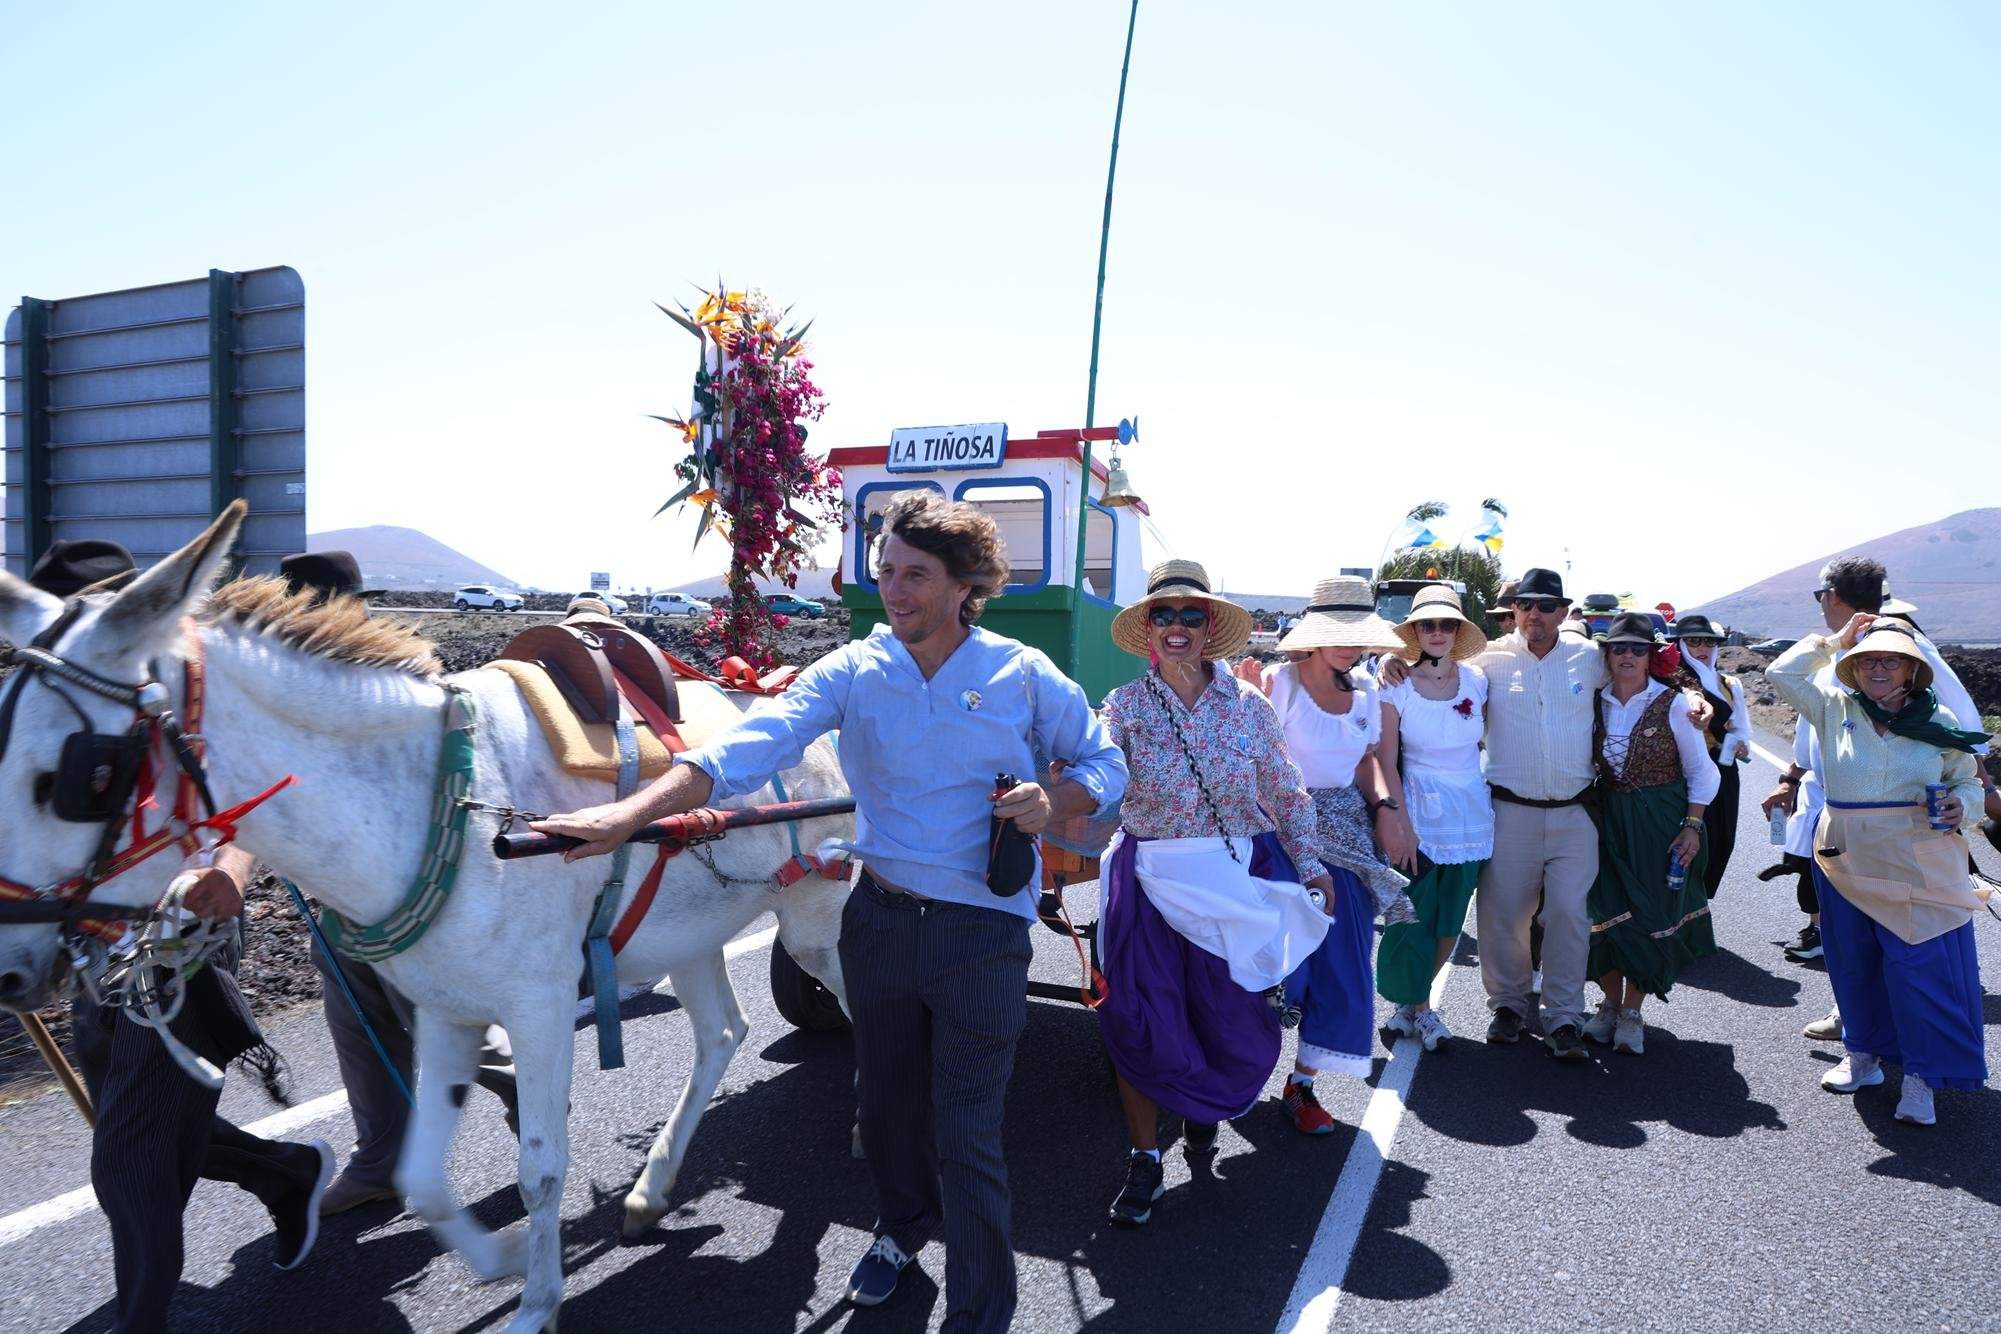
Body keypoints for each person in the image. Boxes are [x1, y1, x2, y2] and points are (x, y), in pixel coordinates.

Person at [532, 491, 1125, 1331]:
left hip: (981, 931)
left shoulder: (1020, 672)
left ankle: (980, 1312)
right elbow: (746, 749)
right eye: (885, 571)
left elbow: (1105, 762)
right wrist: (626, 816)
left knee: (967, 1132)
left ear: (965, 586)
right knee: (884, 1115)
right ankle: (900, 1228)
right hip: (878, 921)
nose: (894, 590)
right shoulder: (855, 668)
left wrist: (1051, 799)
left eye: (915, 574)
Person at [24, 539, 333, 1334]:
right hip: (90, 939)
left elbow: (250, 791)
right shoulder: (48, 701)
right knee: (144, 1125)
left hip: (181, 934)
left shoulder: (185, 693)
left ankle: (142, 1321)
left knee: (127, 1154)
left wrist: (231, 868)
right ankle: (284, 1170)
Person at [276, 551, 522, 1216]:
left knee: (437, 1015)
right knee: (357, 1020)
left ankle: (530, 1095)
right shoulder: (292, 687)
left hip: (418, 887)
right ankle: (381, 1161)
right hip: (343, 891)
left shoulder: (394, 677)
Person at [1095, 560, 1335, 1224]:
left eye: (1190, 615)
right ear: (1148, 628)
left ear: (1209, 628)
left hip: (1230, 880)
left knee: (1228, 1019)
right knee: (1136, 1019)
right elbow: (1097, 772)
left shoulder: (1249, 706)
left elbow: (1285, 791)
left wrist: (1311, 865)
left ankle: (1203, 1111)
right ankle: (1145, 1158)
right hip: (1148, 882)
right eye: (1163, 615)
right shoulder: (1124, 706)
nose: (1176, 626)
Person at [1767, 613, 1988, 1125]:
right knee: (1853, 962)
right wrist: (1835, 640)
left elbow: (1968, 782)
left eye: (1892, 660)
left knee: (1918, 972)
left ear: (1912, 671)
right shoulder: (1832, 706)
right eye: (1868, 660)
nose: (1878, 668)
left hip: (1917, 858)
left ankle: (1920, 1077)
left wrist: (1961, 806)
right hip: (1844, 855)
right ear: (1854, 667)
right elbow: (1782, 673)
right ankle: (1862, 1056)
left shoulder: (1940, 722)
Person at [1385, 568, 1602, 1058]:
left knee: (1568, 914)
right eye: (1526, 604)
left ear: (1564, 612)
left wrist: (1694, 695)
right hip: (1508, 808)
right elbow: (1430, 664)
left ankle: (1564, 1016)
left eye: (1546, 606)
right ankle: (1508, 1006)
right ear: (1514, 610)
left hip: (1574, 811)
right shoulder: (1487, 662)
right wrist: (1389, 659)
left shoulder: (1591, 658)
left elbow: (1643, 677)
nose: (1535, 614)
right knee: (1504, 916)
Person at [1261, 576, 1414, 1111]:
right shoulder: (1278, 683)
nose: (1350, 644)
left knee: (1343, 956)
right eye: (1338, 631)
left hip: (1348, 831)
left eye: (1358, 632)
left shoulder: (1367, 690)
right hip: (1277, 828)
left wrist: (1387, 810)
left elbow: (1367, 760)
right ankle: (1236, 1075)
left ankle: (1302, 1084)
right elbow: (1253, 764)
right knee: (1276, 961)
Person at [1581, 614, 1720, 1054]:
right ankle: (1609, 1002)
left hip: (1660, 820)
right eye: (1619, 648)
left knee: (1650, 913)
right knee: (1601, 911)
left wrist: (1693, 826)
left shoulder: (1675, 704)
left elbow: (1702, 772)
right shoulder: (1594, 701)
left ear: (1650, 655)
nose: (1627, 656)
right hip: (1607, 818)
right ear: (1607, 655)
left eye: (1637, 649)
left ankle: (1632, 1011)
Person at [1376, 584, 1492, 1050]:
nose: (1438, 632)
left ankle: (1413, 1005)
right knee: (1412, 916)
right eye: (1428, 624)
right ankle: (1422, 1009)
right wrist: (1398, 822)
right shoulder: (1395, 684)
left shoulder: (1479, 680)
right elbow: (1385, 761)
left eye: (1447, 624)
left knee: (1450, 918)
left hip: (1471, 816)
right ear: (1416, 631)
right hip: (1418, 813)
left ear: (1458, 631)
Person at [1667, 613, 1750, 896]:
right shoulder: (1671, 680)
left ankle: (1700, 901)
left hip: (1723, 768)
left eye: (1708, 642)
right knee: (1684, 839)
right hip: (1683, 769)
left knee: (1720, 837)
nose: (1702, 648)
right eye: (1694, 641)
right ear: (1680, 644)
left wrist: (1739, 744)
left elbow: (1740, 727)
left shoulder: (1728, 684)